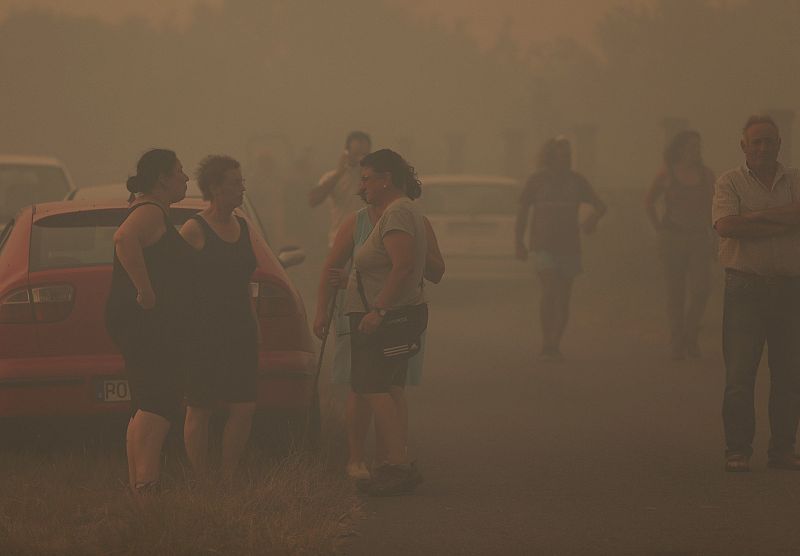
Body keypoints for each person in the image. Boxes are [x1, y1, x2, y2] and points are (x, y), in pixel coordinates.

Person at [313, 194, 444, 481]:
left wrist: (408, 255)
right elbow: (331, 267)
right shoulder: (357, 222)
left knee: (392, 385)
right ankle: (357, 458)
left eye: (368, 179)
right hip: (360, 313)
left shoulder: (417, 223)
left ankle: (388, 458)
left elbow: (436, 271)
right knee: (361, 386)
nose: (363, 188)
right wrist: (322, 310)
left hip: (400, 318)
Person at [329, 149, 429, 496]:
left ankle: (397, 464)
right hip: (390, 314)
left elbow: (402, 266)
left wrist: (379, 310)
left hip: (386, 317)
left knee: (374, 388)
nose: (363, 185)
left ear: (386, 178)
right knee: (383, 388)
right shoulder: (401, 210)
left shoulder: (399, 211)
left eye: (368, 178)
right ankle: (395, 463)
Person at [713, 114, 800, 473]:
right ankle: (738, 449)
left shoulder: (795, 180)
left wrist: (751, 219)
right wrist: (783, 219)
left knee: (789, 374)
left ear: (780, 144)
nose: (763, 148)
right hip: (744, 288)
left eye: (769, 141)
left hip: (789, 288)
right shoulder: (729, 181)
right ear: (744, 146)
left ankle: (782, 450)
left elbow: (740, 223)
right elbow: (726, 226)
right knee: (739, 374)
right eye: (757, 142)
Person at [105, 149, 192, 498]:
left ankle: (140, 488)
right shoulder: (151, 211)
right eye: (180, 171)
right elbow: (124, 238)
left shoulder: (150, 210)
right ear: (162, 179)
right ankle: (147, 485)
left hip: (143, 324)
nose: (186, 178)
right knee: (159, 402)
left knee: (146, 403)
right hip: (148, 325)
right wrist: (146, 291)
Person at [180, 155, 260, 481]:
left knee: (244, 406)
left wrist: (255, 326)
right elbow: (176, 285)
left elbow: (247, 283)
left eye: (242, 182)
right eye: (235, 183)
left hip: (240, 330)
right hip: (204, 333)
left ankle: (228, 477)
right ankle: (201, 478)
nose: (242, 188)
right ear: (215, 187)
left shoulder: (243, 226)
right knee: (200, 407)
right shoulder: (193, 230)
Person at [514, 137, 607, 361]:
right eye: (560, 153)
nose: (565, 157)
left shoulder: (577, 181)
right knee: (549, 291)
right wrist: (518, 241)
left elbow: (601, 206)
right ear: (550, 156)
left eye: (567, 154)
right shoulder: (536, 181)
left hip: (569, 246)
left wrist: (592, 220)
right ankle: (547, 340)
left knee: (564, 297)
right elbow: (523, 212)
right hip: (543, 245)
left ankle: (556, 342)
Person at [644, 130, 715, 359]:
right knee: (675, 292)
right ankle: (678, 340)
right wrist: (659, 229)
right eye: (691, 146)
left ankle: (689, 331)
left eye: (698, 145)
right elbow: (649, 202)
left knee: (701, 289)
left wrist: (715, 233)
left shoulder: (706, 175)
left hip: (699, 237)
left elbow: (716, 205)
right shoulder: (667, 174)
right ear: (680, 149)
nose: (695, 150)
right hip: (672, 237)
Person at [308, 131, 372, 247]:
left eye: (364, 154)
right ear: (346, 153)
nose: (360, 159)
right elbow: (313, 200)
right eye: (356, 154)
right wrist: (339, 173)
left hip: (369, 243)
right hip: (340, 243)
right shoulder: (333, 177)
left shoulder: (374, 178)